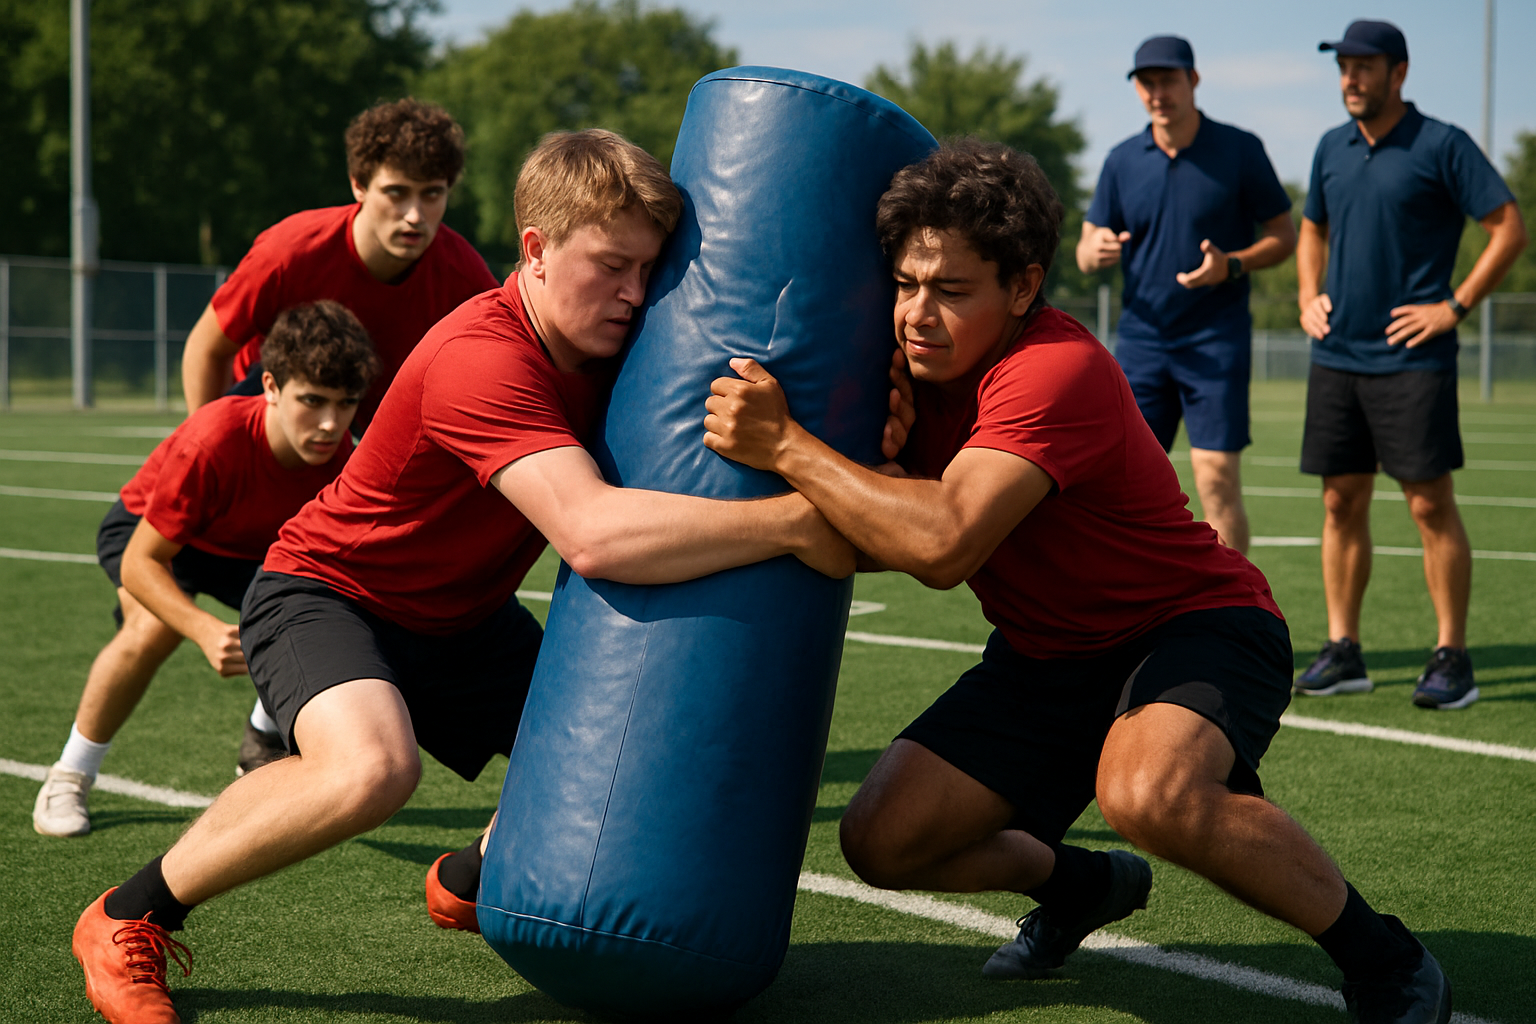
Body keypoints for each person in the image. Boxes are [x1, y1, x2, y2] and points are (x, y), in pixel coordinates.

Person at [70, 129, 865, 1024]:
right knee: (373, 770)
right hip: (333, 594)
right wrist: (794, 523)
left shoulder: (617, 350)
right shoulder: (480, 355)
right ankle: (127, 914)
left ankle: (475, 874)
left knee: (624, 743)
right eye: (611, 266)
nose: (635, 295)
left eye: (649, 272)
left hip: (466, 620)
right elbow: (593, 535)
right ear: (535, 249)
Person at [705, 140, 1453, 1024]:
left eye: (950, 291)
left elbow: (942, 547)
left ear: (1022, 288)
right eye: (906, 284)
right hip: (1046, 652)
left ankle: (1386, 960)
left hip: (1189, 622)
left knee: (1148, 793)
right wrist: (866, 468)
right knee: (882, 840)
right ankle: (1084, 883)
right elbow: (872, 537)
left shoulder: (1053, 368)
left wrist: (788, 446)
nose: (917, 314)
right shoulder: (896, 369)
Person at [32, 302, 378, 839]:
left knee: (329, 613)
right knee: (151, 628)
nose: (331, 423)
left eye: (346, 404)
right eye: (312, 401)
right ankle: (70, 774)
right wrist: (203, 629)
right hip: (158, 537)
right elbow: (141, 561)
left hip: (250, 547)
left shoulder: (345, 459)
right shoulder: (212, 440)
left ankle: (261, 737)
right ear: (269, 386)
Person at [1294, 20, 1527, 710]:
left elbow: (1508, 227)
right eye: (1343, 66)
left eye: (1364, 67)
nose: (1350, 78)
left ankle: (1451, 654)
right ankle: (1345, 649)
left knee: (1429, 504)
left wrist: (1453, 306)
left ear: (1399, 72)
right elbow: (1312, 227)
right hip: (1336, 355)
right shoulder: (1330, 148)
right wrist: (1308, 295)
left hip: (1413, 359)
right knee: (1340, 500)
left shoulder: (1442, 144)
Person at [1078, 35, 1296, 554]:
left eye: (1168, 80)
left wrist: (1233, 265)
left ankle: (1235, 620)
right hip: (1141, 341)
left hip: (1215, 338)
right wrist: (1097, 249)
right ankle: (1126, 621)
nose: (1158, 93)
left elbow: (1285, 235)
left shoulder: (1240, 149)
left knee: (1216, 479)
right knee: (1120, 487)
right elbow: (1087, 248)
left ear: (1193, 81)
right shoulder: (1121, 160)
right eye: (1146, 83)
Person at [180, 97, 500, 428]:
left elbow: (506, 370)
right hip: (271, 416)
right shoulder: (289, 253)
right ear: (358, 185)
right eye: (396, 192)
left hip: (382, 425)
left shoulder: (466, 278)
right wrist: (206, 447)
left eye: (432, 194)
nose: (415, 215)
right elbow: (206, 349)